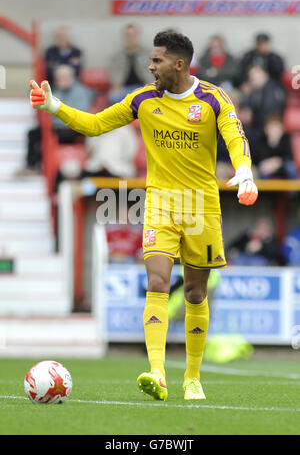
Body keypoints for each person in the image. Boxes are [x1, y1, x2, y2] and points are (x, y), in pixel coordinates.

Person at [29, 30, 258, 401]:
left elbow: (236, 136)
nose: (150, 67)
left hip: (201, 205)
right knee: (156, 283)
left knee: (196, 292)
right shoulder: (142, 99)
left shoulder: (214, 99)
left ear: (179, 64)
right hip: (159, 205)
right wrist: (55, 106)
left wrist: (244, 171)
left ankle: (193, 377)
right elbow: (96, 124)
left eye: (157, 61)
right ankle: (156, 371)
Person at [18, 65, 95, 175]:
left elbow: (80, 112)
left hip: (73, 128)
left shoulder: (81, 92)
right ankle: (31, 165)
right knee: (33, 133)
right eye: (58, 78)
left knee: (49, 138)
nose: (60, 80)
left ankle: (40, 166)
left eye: (63, 78)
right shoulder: (55, 90)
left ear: (71, 77)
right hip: (57, 126)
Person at [108, 24, 150, 104]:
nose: (131, 38)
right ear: (124, 37)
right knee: (113, 96)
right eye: (128, 35)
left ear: (138, 36)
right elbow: (113, 73)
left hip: (143, 87)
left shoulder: (147, 54)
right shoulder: (118, 56)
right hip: (124, 88)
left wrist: (149, 86)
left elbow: (154, 72)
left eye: (133, 35)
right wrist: (116, 85)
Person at [241, 65, 286, 133]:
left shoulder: (272, 90)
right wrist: (247, 96)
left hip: (269, 130)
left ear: (266, 75)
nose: (252, 77)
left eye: (255, 73)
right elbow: (247, 115)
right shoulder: (255, 91)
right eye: (251, 74)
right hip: (259, 129)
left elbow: (269, 115)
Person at [251, 115, 297, 180]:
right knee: (261, 170)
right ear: (266, 129)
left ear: (282, 130)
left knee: (290, 167)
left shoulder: (286, 139)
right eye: (272, 128)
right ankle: (263, 190)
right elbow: (257, 158)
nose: (275, 131)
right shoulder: (261, 140)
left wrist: (277, 162)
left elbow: (289, 157)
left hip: (282, 167)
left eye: (277, 128)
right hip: (266, 167)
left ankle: (294, 189)